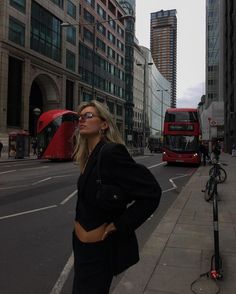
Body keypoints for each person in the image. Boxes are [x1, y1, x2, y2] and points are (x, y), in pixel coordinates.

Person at [72, 100, 162, 294]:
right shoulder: (88, 157)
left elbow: (151, 192)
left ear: (104, 124)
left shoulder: (112, 152)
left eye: (89, 116)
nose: (82, 120)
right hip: (81, 250)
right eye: (80, 117)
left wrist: (120, 224)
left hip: (98, 252)